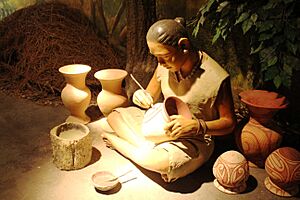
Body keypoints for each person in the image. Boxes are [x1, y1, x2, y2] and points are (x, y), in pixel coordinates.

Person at [102, 17, 236, 182]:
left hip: (194, 139)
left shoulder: (217, 78)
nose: (159, 63)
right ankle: (148, 149)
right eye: (156, 57)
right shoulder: (163, 66)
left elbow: (229, 123)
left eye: (164, 56)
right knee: (114, 115)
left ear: (184, 46)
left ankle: (120, 144)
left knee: (162, 163)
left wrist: (197, 126)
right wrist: (141, 96)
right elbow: (150, 94)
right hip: (160, 124)